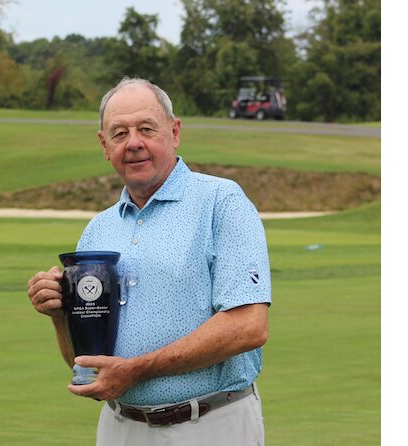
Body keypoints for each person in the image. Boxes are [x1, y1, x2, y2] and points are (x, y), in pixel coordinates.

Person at [26, 77, 271, 445]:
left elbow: (249, 326)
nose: (134, 142)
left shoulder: (221, 202)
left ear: (174, 133)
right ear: (104, 145)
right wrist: (60, 317)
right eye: (119, 133)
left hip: (211, 423)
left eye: (146, 128)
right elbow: (87, 365)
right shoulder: (98, 230)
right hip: (121, 428)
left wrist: (137, 370)